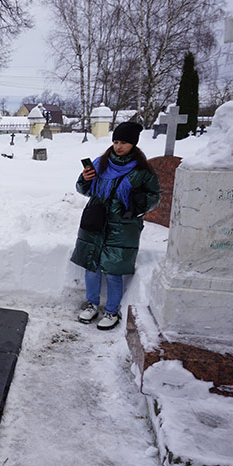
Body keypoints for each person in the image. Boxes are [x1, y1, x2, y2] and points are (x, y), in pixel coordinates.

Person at [71, 122, 160, 330]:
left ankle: (112, 311)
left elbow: (154, 196)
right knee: (92, 267)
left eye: (124, 143)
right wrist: (85, 179)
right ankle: (91, 304)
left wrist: (138, 203)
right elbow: (82, 189)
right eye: (116, 141)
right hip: (95, 220)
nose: (118, 147)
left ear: (133, 145)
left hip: (123, 225)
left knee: (113, 271)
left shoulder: (142, 170)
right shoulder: (99, 163)